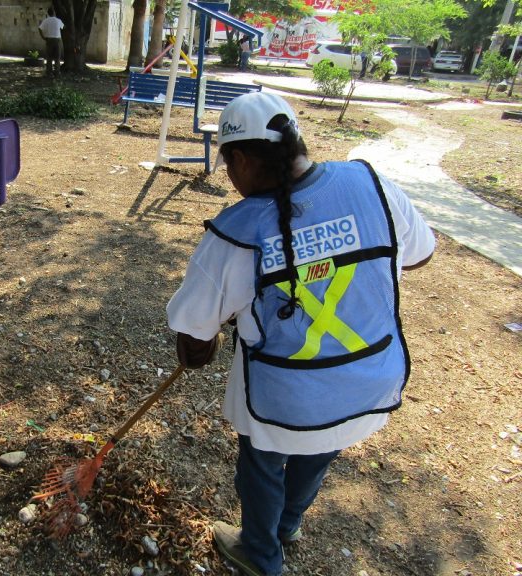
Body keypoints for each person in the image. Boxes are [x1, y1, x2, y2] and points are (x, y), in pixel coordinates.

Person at [166, 92, 435, 576]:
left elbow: (195, 345)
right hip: (365, 381)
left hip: (284, 398)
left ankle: (261, 555)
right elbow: (419, 254)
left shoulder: (237, 231)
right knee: (320, 442)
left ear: (242, 160)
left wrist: (215, 330)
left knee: (264, 462)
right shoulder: (371, 184)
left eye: (228, 165)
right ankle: (289, 523)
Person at [38, 7, 64, 77]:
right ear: (54, 12)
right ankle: (57, 72)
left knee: (49, 57)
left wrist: (43, 37)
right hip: (57, 39)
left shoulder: (46, 21)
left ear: (48, 13)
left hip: (49, 39)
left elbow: (39, 28)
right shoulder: (58, 20)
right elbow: (63, 27)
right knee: (57, 57)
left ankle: (49, 73)